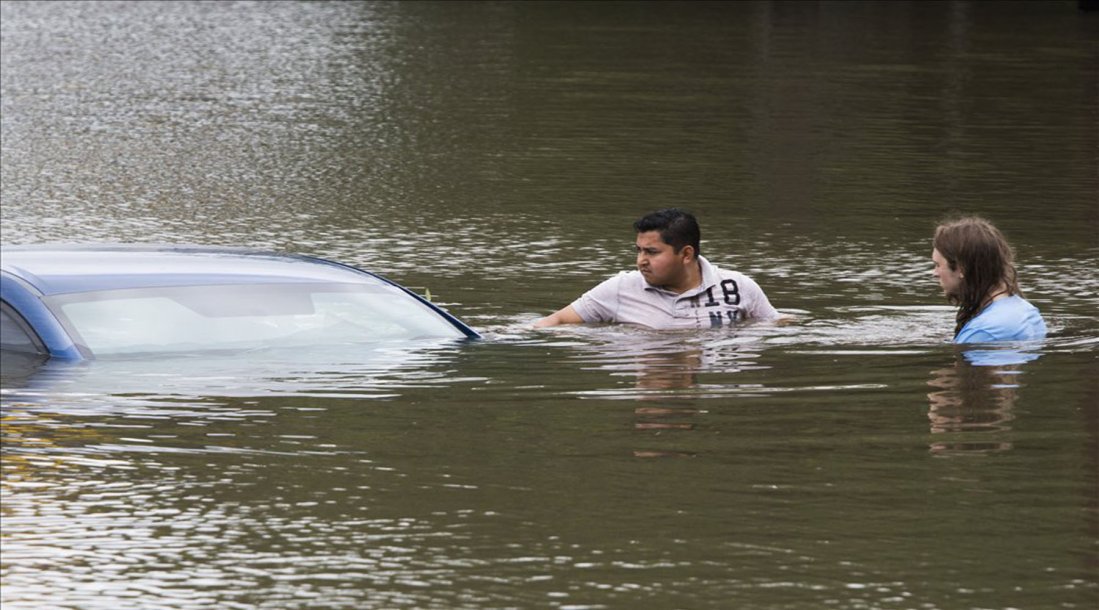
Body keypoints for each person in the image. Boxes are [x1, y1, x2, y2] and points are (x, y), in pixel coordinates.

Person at [534, 208, 781, 330]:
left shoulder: (737, 286)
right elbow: (556, 321)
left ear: (686, 254)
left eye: (651, 252)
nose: (641, 260)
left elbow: (774, 325)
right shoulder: (621, 287)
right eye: (638, 250)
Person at [931, 216, 1047, 343]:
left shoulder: (982, 333)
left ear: (961, 269)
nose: (934, 273)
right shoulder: (1028, 312)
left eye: (938, 265)